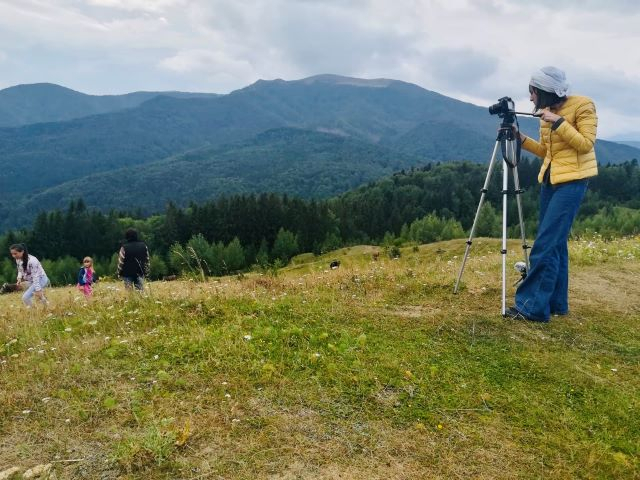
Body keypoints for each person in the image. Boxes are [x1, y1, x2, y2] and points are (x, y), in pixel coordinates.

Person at [506, 66, 598, 322]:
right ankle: (557, 303)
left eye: (532, 92)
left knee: (544, 245)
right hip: (550, 181)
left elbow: (585, 144)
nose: (531, 98)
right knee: (556, 244)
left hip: (572, 183)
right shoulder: (546, 114)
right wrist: (521, 138)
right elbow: (548, 152)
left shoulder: (583, 105)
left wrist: (557, 122)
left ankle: (532, 308)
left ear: (544, 91)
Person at [9, 243, 50, 308]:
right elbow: (20, 270)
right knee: (40, 297)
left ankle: (33, 311)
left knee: (25, 297)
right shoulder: (18, 259)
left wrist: (38, 290)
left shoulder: (32, 261)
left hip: (41, 279)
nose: (13, 256)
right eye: (12, 254)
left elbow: (35, 277)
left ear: (22, 251)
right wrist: (19, 278)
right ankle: (48, 307)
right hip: (31, 281)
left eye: (15, 253)